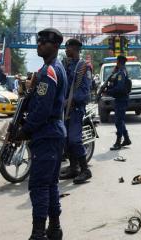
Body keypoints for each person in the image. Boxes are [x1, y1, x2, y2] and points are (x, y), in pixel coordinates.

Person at [15, 28, 67, 240]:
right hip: (53, 133)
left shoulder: (50, 71)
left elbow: (42, 108)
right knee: (50, 184)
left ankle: (38, 234)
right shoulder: (51, 68)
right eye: (38, 42)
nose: (39, 45)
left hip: (46, 134)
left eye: (43, 42)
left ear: (54, 46)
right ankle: (54, 230)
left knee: (39, 185)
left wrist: (24, 130)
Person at [59, 38, 93, 184]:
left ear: (75, 49)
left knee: (74, 139)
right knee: (66, 140)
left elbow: (85, 92)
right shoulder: (66, 65)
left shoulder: (83, 67)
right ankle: (74, 168)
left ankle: (85, 170)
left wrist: (71, 100)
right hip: (64, 110)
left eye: (68, 48)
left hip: (76, 109)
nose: (66, 50)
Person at [104, 55, 131, 150]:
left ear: (119, 62)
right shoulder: (121, 71)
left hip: (121, 99)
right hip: (121, 99)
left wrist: (108, 92)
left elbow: (119, 88)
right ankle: (126, 139)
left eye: (117, 61)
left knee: (118, 121)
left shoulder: (121, 73)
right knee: (120, 120)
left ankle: (118, 142)